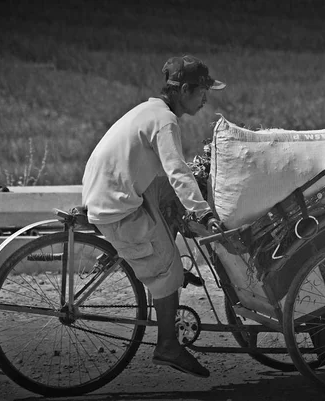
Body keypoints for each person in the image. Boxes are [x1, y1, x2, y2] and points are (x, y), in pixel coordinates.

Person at [82, 55, 226, 378]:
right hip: (117, 206)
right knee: (169, 272)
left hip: (110, 190)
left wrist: (187, 204)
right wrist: (203, 214)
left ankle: (162, 260)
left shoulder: (150, 111)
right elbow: (177, 172)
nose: (205, 100)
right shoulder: (165, 121)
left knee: (172, 201)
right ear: (185, 90)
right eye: (202, 92)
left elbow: (170, 176)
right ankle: (167, 345)